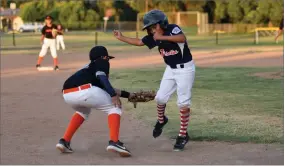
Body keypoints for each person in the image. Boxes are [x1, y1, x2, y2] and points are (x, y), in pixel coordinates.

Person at [113, 9, 195, 151]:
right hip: (170, 69)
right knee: (160, 98)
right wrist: (122, 37)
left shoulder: (172, 29)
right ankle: (162, 120)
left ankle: (182, 135)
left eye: (153, 26)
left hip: (185, 70)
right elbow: (139, 42)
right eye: (149, 28)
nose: (151, 30)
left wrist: (161, 38)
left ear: (161, 23)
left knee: (183, 103)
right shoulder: (153, 36)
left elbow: (182, 38)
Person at [56, 46, 133, 157]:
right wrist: (113, 95)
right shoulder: (102, 62)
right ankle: (114, 142)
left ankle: (64, 141)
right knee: (114, 107)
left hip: (68, 95)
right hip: (86, 91)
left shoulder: (88, 68)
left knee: (83, 111)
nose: (107, 60)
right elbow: (103, 80)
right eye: (107, 58)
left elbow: (104, 86)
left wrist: (129, 95)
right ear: (104, 56)